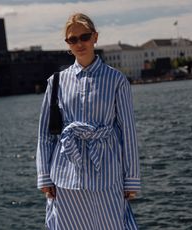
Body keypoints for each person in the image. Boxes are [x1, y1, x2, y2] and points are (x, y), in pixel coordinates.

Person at [36, 13, 141, 230]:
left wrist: (131, 178)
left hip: (107, 172)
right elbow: (46, 134)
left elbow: (128, 132)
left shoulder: (116, 80)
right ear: (67, 44)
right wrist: (44, 176)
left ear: (95, 37)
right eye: (72, 39)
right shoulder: (56, 82)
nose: (79, 43)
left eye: (84, 37)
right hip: (65, 175)